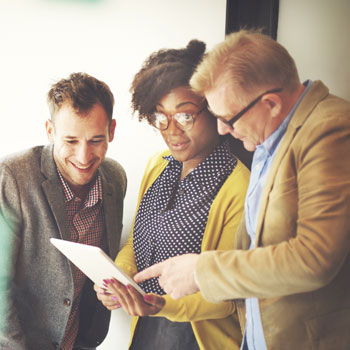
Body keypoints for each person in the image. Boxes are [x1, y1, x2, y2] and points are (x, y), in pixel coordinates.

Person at [134, 29, 350, 349]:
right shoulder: (268, 137)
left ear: (271, 104)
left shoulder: (330, 129)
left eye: (228, 118)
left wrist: (201, 271)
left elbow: (314, 257)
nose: (223, 129)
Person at [94, 40, 251, 350]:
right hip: (146, 331)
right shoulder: (157, 165)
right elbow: (139, 242)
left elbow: (227, 296)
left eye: (185, 116)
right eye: (161, 118)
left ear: (213, 109)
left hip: (198, 338)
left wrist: (161, 305)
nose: (171, 131)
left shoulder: (237, 186)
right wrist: (119, 279)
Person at [0, 72, 127, 350]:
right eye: (70, 141)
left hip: (82, 340)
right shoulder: (12, 176)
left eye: (96, 140)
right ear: (50, 131)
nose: (84, 157)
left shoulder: (116, 178)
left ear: (112, 130)